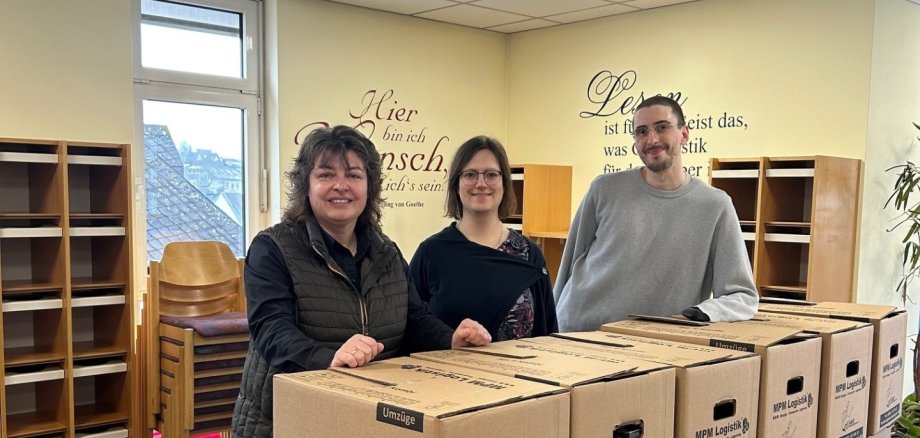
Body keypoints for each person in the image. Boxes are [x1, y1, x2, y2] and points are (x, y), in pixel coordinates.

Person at [231, 125, 492, 438]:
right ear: (306, 184)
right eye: (326, 175)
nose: (341, 186)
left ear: (370, 187)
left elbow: (414, 318)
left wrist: (451, 340)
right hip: (287, 420)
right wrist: (329, 358)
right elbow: (271, 331)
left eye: (354, 175)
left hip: (368, 419)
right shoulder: (272, 248)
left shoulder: (387, 251)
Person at [553, 96, 758, 332]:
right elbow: (569, 262)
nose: (651, 139)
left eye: (662, 127)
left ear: (684, 134)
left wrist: (702, 313)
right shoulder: (604, 189)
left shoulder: (715, 206)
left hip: (652, 346)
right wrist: (548, 324)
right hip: (578, 331)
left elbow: (742, 295)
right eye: (641, 131)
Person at [410, 136, 558, 341]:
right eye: (470, 174)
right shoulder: (431, 253)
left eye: (491, 174)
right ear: (456, 184)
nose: (481, 183)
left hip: (518, 372)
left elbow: (547, 334)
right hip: (447, 372)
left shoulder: (529, 254)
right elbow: (411, 328)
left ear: (504, 183)